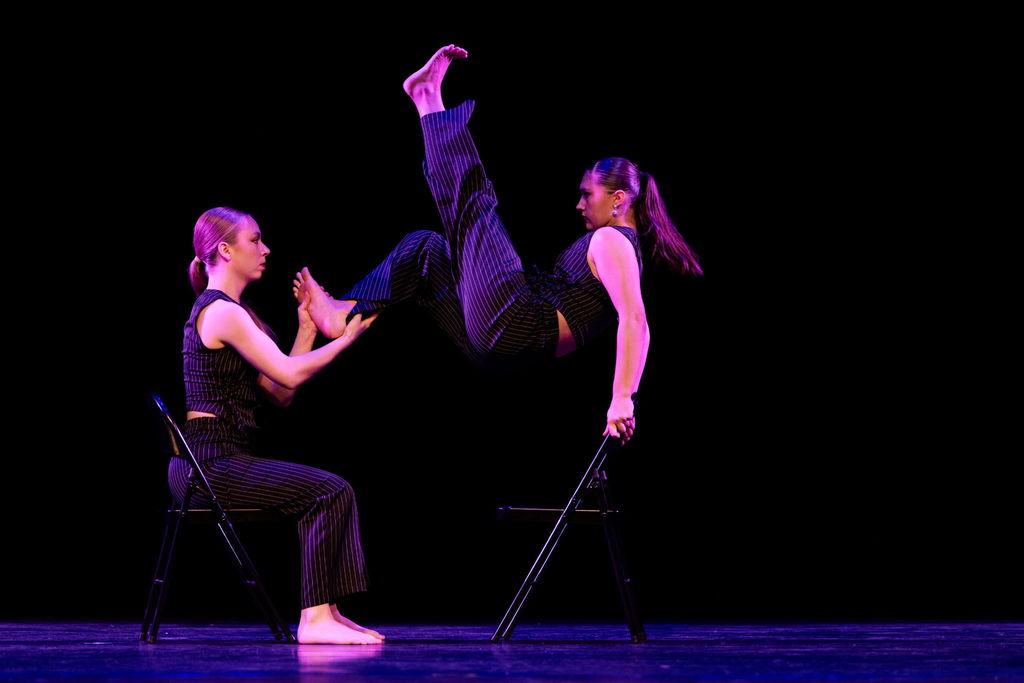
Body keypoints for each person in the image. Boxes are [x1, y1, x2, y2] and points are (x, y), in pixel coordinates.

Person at [295, 45, 702, 444]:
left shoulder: (613, 239)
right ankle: (344, 313)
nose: (578, 204)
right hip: (503, 347)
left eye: (587, 194)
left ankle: (425, 97)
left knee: (475, 202)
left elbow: (635, 320)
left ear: (618, 199)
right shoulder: (613, 243)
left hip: (519, 323)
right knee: (426, 250)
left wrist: (622, 398)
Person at [168, 206, 384, 645]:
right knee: (329, 490)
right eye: (255, 240)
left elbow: (279, 392)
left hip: (220, 458)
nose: (265, 249)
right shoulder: (222, 312)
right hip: (208, 463)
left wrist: (306, 327)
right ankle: (315, 618)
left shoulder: (234, 311)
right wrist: (345, 339)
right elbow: (289, 375)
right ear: (226, 250)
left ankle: (327, 612)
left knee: (331, 490)